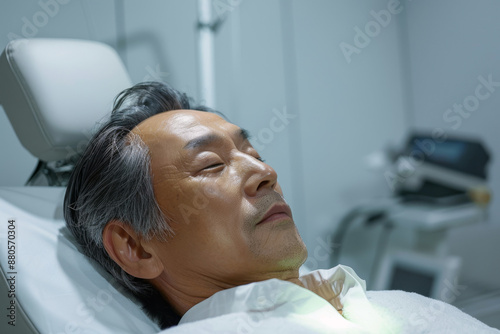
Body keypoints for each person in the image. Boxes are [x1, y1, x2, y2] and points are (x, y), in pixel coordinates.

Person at [64, 82, 498, 333]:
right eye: (211, 165)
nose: (264, 171)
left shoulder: (394, 305)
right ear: (136, 248)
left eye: (253, 151)